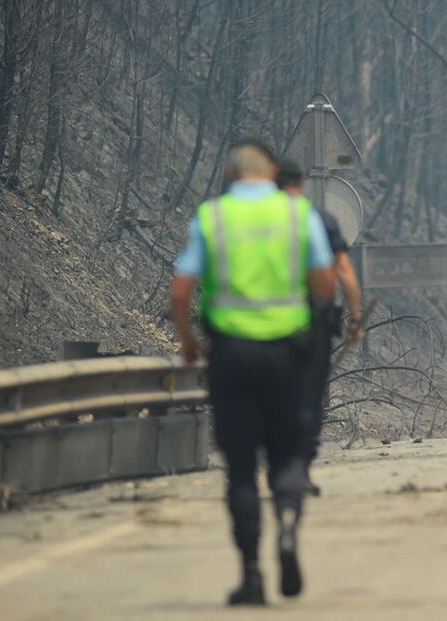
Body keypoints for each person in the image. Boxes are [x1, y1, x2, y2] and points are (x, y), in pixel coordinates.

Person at [171, 139, 335, 605]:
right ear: (275, 170)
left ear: (229, 171)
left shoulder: (213, 216)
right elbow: (324, 283)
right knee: (285, 456)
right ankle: (286, 523)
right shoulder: (296, 214)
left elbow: (182, 290)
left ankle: (251, 575)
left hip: (232, 356)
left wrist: (188, 343)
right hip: (286, 354)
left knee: (241, 468)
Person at [276, 158, 364, 497]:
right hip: (311, 322)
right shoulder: (320, 220)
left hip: (263, 322)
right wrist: (355, 318)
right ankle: (299, 468)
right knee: (309, 396)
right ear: (301, 185)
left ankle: (277, 463)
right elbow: (343, 272)